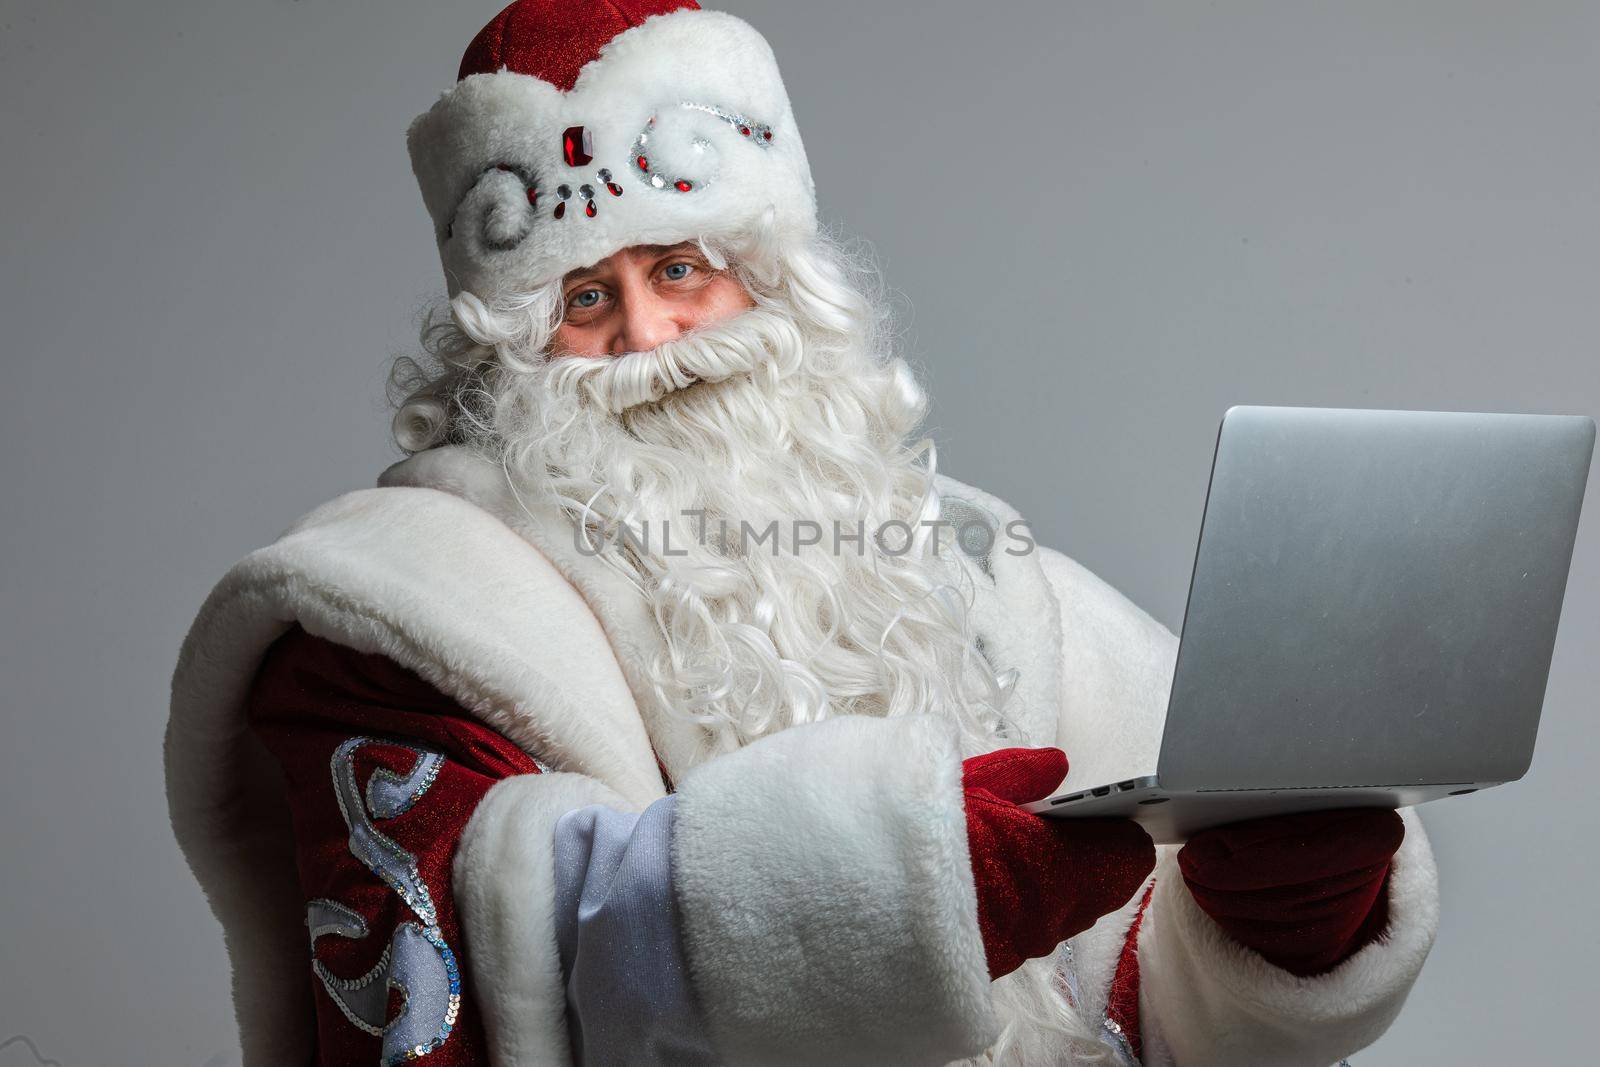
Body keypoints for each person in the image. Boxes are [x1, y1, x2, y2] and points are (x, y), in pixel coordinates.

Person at [164, 3, 1439, 1065]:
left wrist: (1276, 924)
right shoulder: (401, 611)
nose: (649, 342)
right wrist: (891, 890)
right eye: (584, 299)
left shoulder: (971, 563)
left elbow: (1112, 985)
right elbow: (462, 960)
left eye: (679, 272)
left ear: (774, 281)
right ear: (502, 347)